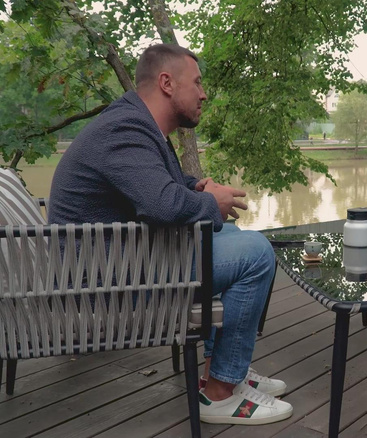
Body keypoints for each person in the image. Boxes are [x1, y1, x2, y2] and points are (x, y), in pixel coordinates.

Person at [48, 44, 293, 425]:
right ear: (166, 83)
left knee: (234, 238)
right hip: (106, 283)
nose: (203, 94)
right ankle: (220, 393)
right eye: (197, 83)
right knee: (255, 254)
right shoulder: (123, 129)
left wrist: (196, 188)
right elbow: (161, 205)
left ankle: (224, 369)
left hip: (124, 260)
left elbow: (160, 185)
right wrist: (210, 203)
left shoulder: (137, 124)